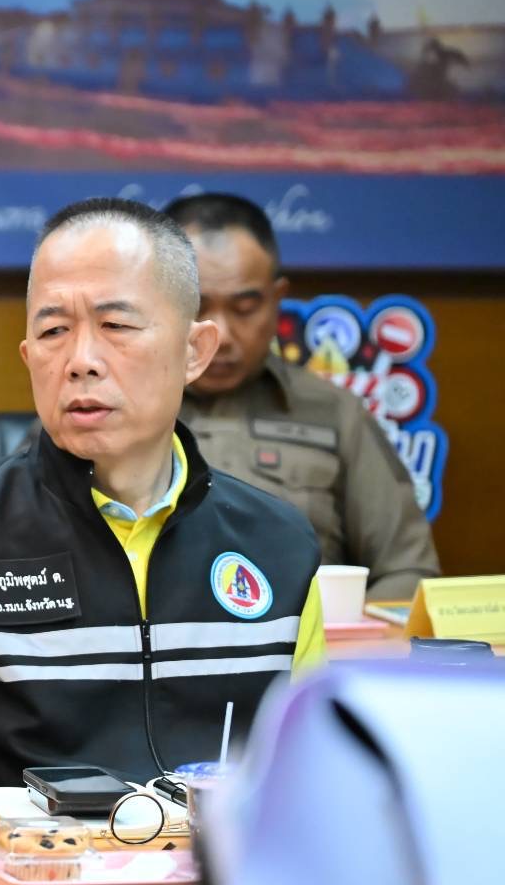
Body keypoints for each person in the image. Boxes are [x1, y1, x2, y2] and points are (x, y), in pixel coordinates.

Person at [0, 198, 326, 798]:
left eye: (117, 326)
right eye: (53, 331)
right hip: (23, 858)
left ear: (194, 351)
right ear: (28, 357)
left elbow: (314, 784)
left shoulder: (279, 546)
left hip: (216, 859)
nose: (81, 361)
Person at [165, 193, 440, 600]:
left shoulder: (334, 413)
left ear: (277, 299)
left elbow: (408, 571)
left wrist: (337, 632)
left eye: (245, 307)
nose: (220, 334)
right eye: (197, 306)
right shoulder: (107, 411)